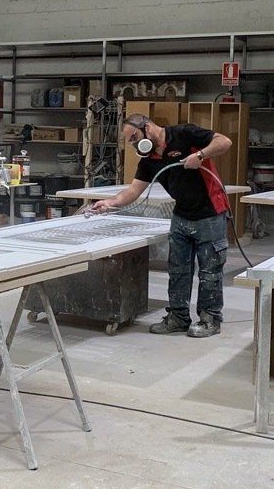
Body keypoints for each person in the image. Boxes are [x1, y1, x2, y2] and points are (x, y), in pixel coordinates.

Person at [90, 113, 233, 338]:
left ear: (147, 127)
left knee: (210, 271)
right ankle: (178, 317)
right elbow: (133, 191)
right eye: (130, 142)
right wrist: (110, 203)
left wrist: (200, 155)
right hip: (181, 215)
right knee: (178, 269)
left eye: (135, 137)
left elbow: (224, 141)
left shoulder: (184, 134)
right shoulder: (148, 160)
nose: (135, 144)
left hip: (210, 213)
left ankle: (210, 319)